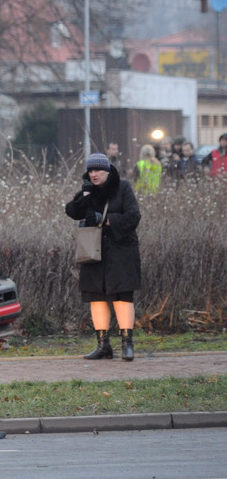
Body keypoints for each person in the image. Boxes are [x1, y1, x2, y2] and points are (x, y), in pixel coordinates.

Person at [64, 152, 141, 362]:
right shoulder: (89, 190)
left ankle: (127, 344)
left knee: (122, 297)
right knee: (96, 298)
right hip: (94, 251)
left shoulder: (122, 187)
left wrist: (105, 220)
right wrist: (85, 196)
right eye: (90, 170)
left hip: (121, 251)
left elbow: (133, 216)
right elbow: (71, 211)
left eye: (97, 170)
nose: (93, 174)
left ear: (107, 171)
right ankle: (103, 346)